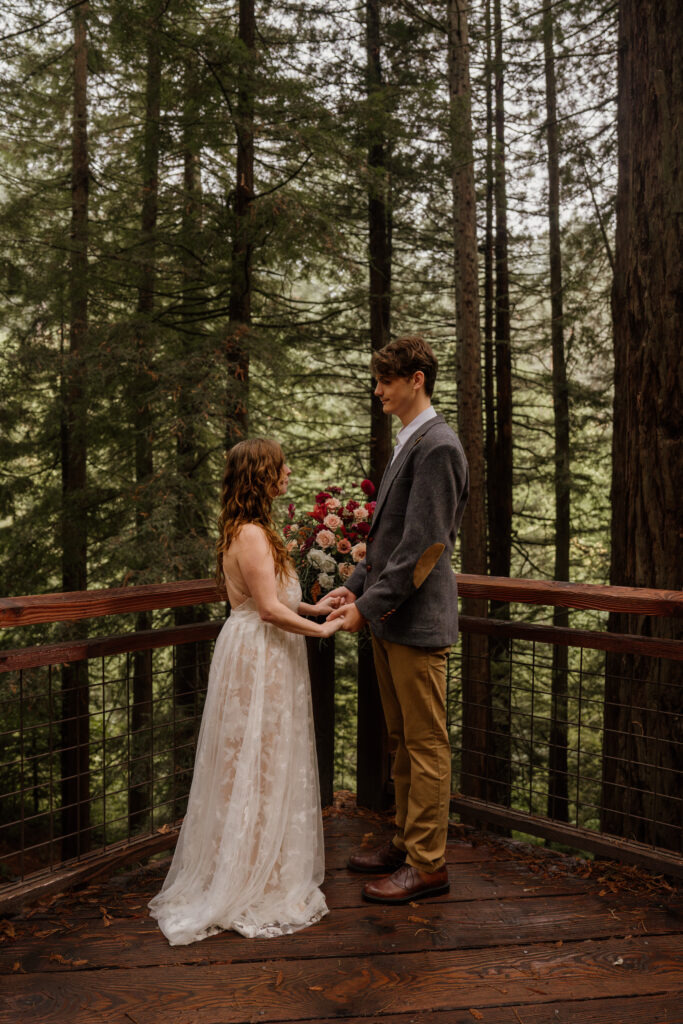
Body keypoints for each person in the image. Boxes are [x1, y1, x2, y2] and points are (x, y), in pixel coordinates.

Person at [149, 438, 342, 945]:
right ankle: (249, 874)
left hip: (265, 652)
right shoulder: (252, 534)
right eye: (281, 467)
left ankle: (264, 863)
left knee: (263, 761)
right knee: (252, 762)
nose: (289, 472)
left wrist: (320, 610)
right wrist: (322, 633)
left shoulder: (252, 530)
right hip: (258, 655)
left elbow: (279, 601)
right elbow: (268, 610)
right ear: (262, 476)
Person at [327, 335, 469, 904]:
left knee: (426, 743)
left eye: (387, 381)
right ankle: (407, 844)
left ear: (417, 380)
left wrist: (365, 607)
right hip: (389, 619)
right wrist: (354, 587)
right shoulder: (407, 441)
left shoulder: (438, 446)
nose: (378, 390)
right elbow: (385, 542)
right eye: (376, 379)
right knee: (401, 741)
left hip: (416, 623)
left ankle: (428, 864)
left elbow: (423, 548)